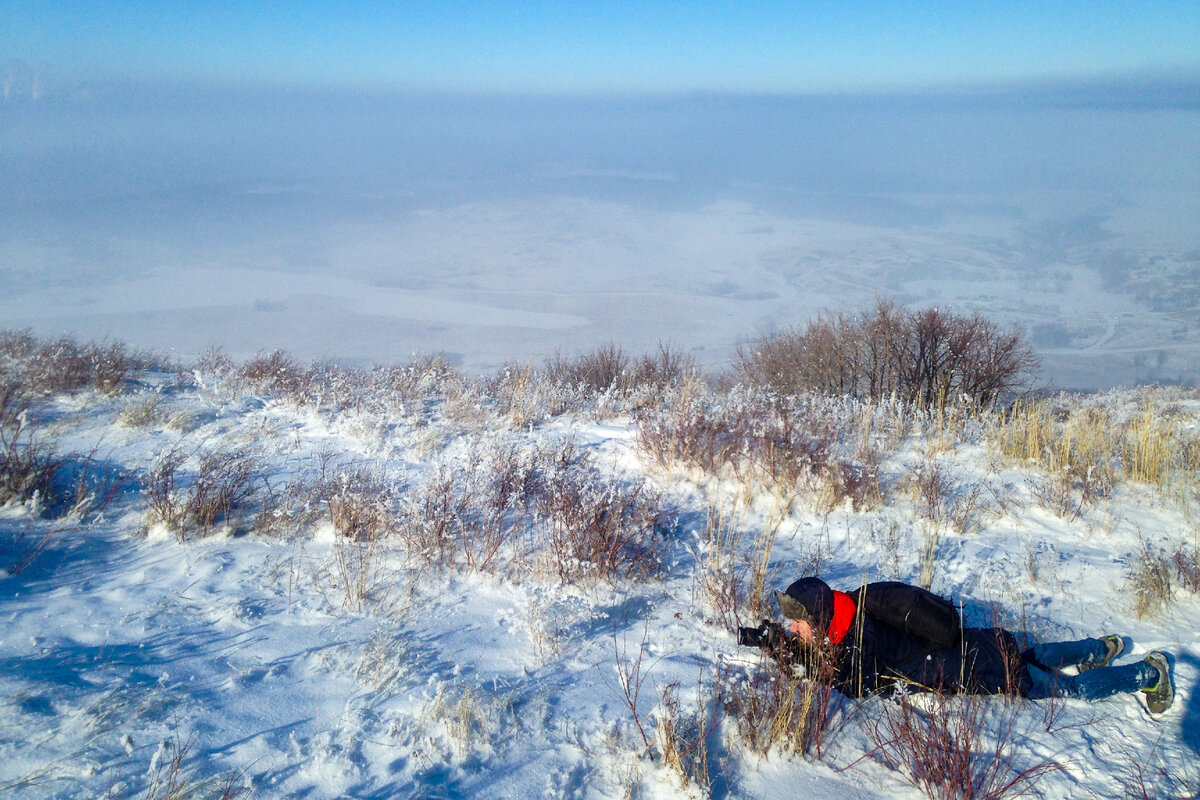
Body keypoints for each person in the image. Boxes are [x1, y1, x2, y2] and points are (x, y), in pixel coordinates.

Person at [738, 576, 1174, 713]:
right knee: (1034, 655)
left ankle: (1149, 675)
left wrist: (783, 650)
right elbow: (827, 661)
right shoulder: (854, 608)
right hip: (979, 645)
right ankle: (1100, 648)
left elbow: (848, 683)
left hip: (981, 670)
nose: (793, 630)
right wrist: (776, 642)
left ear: (821, 619)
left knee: (1068, 690)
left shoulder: (859, 645)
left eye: (797, 625)